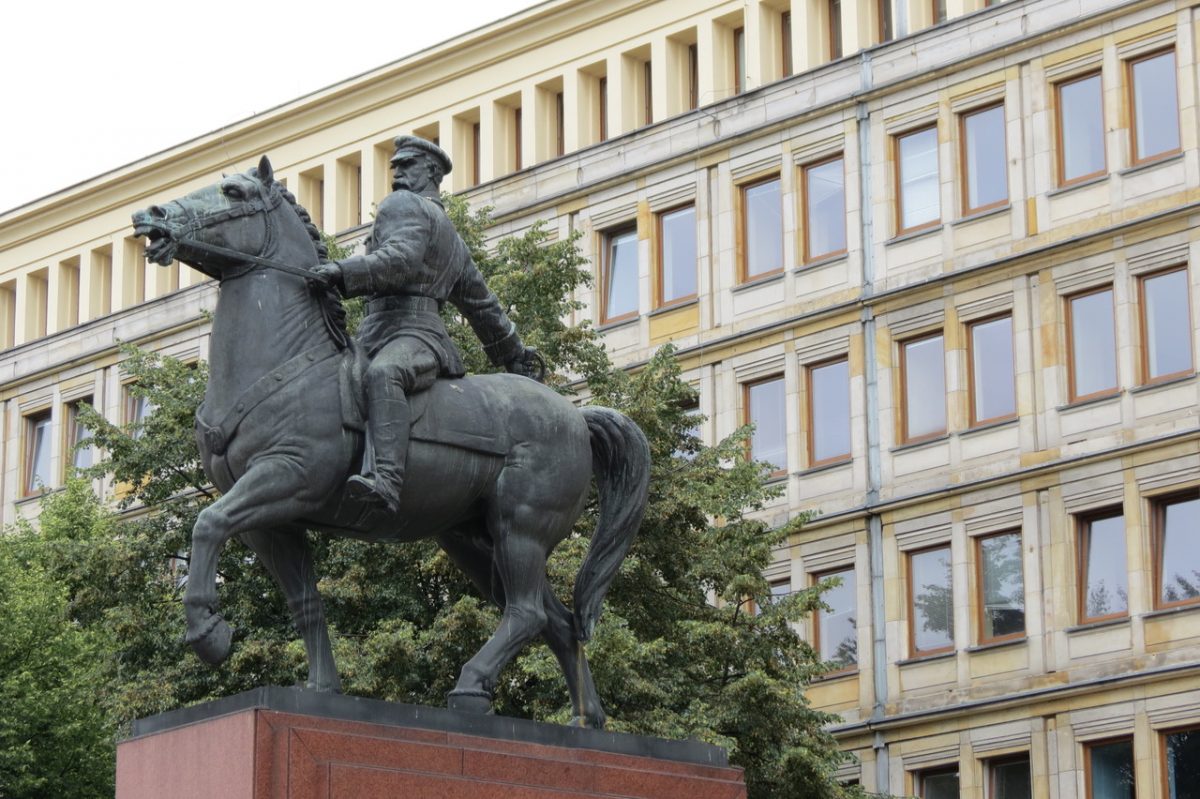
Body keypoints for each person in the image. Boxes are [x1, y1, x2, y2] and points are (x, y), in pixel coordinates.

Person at [313, 135, 540, 513]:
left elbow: (399, 260)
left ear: (431, 171)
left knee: (385, 374)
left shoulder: (404, 206)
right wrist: (513, 353)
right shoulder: (447, 234)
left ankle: (385, 480)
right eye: (395, 165)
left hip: (415, 334)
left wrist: (341, 270)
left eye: (406, 165)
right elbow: (483, 306)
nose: (396, 171)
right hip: (373, 333)